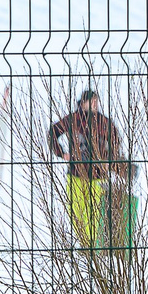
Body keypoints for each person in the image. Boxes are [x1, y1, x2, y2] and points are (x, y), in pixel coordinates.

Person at [49, 89, 130, 250]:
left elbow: (115, 141)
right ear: (83, 102)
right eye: (91, 101)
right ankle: (86, 243)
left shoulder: (104, 122)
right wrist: (62, 153)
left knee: (95, 211)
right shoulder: (73, 119)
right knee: (76, 210)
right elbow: (53, 132)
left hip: (99, 175)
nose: (95, 104)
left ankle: (92, 246)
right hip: (76, 173)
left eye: (96, 101)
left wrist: (110, 160)